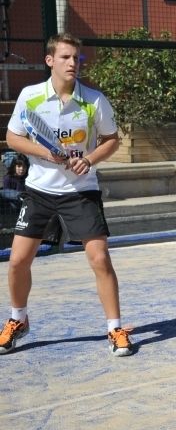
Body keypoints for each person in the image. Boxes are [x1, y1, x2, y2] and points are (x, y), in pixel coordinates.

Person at [0, 32, 134, 357]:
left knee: (100, 258)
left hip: (81, 192)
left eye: (76, 57)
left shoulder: (93, 100)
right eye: (65, 57)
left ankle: (114, 327)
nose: (73, 63)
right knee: (17, 261)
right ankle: (18, 320)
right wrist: (47, 154)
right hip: (39, 191)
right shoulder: (30, 97)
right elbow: (13, 138)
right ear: (50, 61)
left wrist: (88, 159)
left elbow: (111, 139)